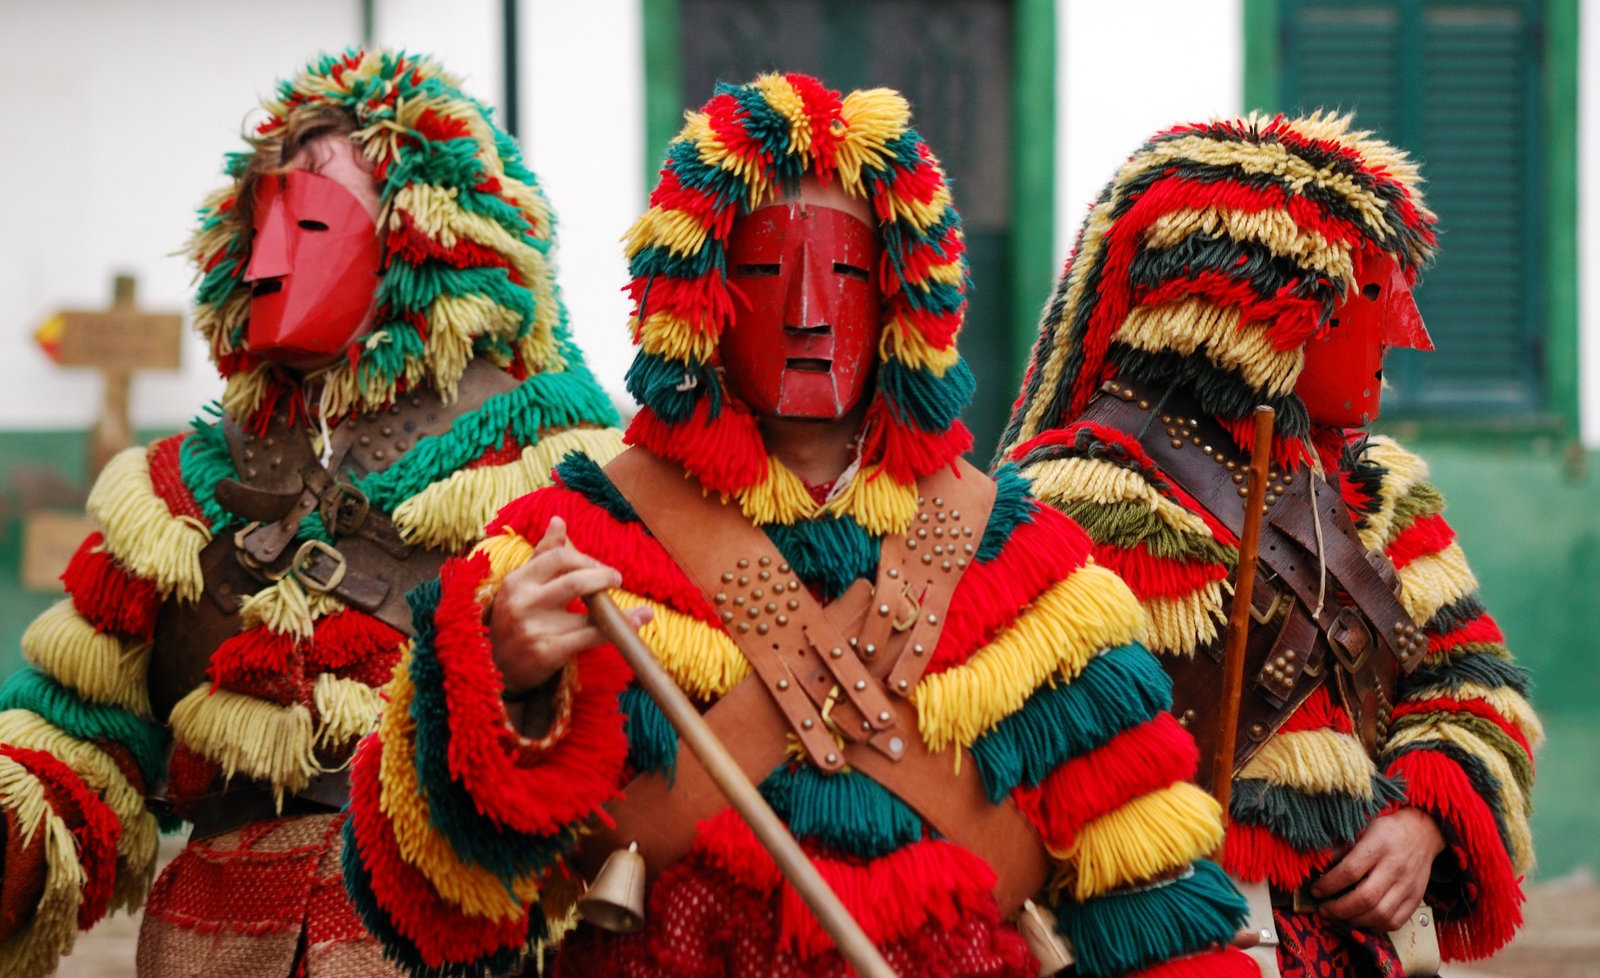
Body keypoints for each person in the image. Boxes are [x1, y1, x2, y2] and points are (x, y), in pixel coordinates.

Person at [342, 73, 1257, 978]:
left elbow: (1153, 909)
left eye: (851, 272)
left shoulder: (1034, 570)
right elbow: (430, 910)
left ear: (906, 297)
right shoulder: (571, 542)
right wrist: (500, 681)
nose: (811, 312)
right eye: (765, 270)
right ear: (697, 295)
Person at [0, 48, 622, 977]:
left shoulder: (558, 469)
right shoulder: (174, 492)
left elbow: (628, 770)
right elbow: (78, 745)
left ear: (424, 240)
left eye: (315, 220)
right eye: (257, 225)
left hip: (445, 944)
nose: (268, 261)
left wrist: (510, 678)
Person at [998, 114, 1540, 975]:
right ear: (1263, 307)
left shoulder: (1381, 491)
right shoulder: (1069, 502)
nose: (1406, 334)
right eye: (1370, 294)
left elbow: (1476, 688)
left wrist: (1424, 821)